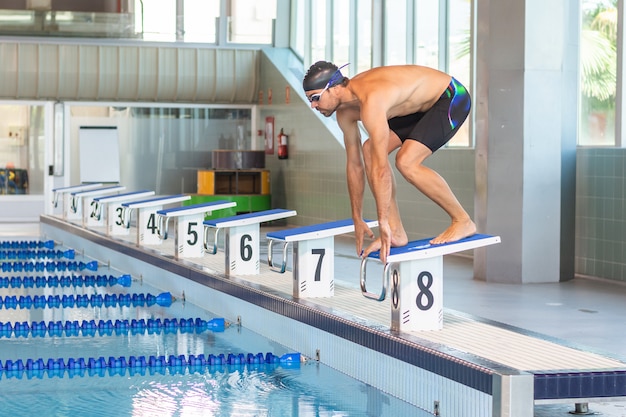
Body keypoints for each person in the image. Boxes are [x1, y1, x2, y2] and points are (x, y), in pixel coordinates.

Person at [302, 61, 476, 264]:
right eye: (310, 100)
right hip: (417, 108)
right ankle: (396, 232)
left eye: (315, 98)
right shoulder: (344, 112)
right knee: (368, 150)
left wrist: (381, 221)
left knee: (406, 162)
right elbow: (354, 166)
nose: (313, 106)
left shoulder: (372, 100)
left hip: (450, 97)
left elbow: (380, 168)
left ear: (334, 88)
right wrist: (356, 218)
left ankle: (462, 220)